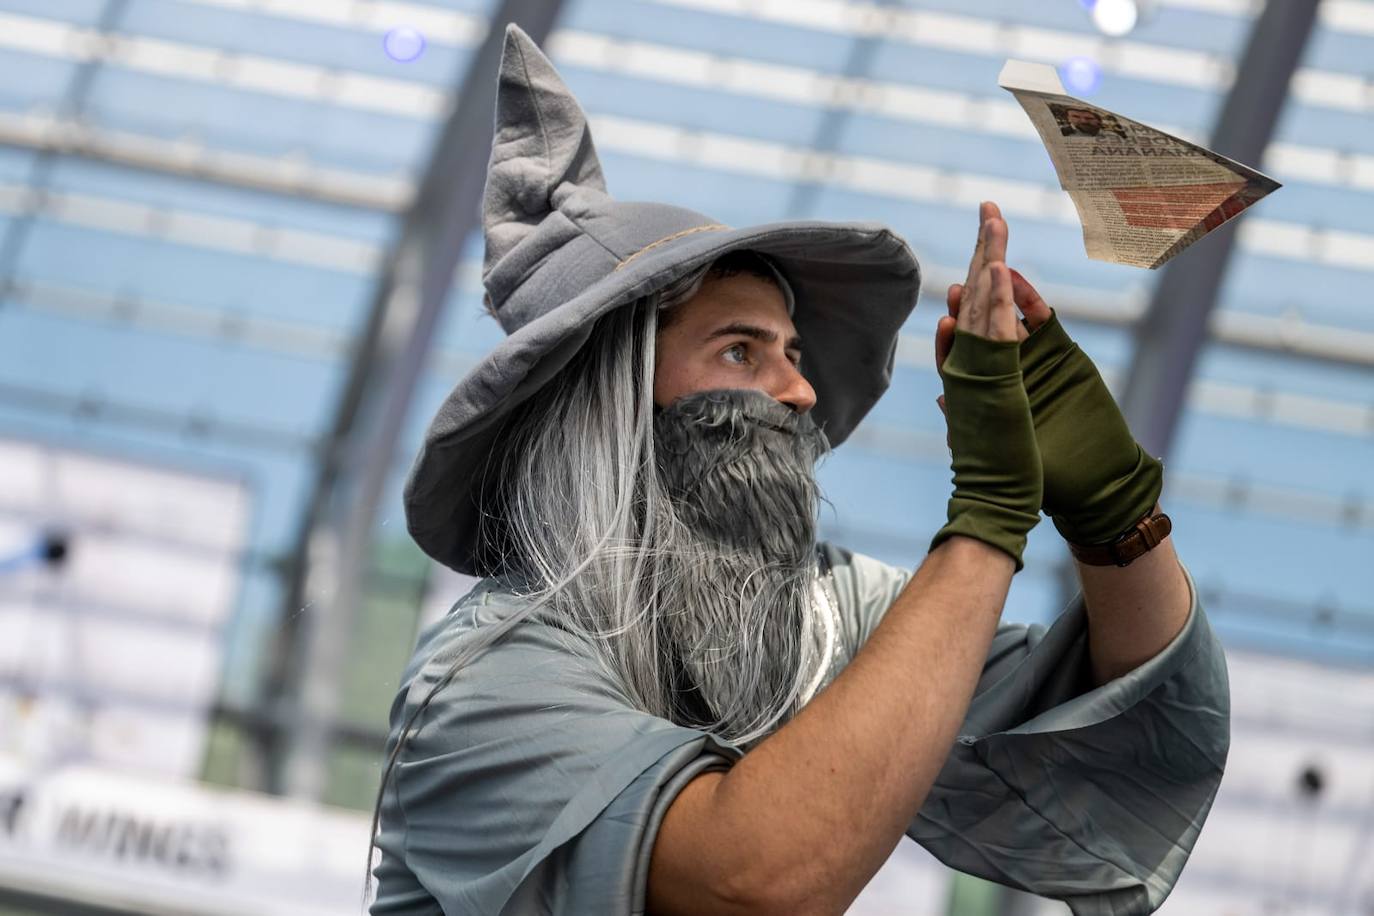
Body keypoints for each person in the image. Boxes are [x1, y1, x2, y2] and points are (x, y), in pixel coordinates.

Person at [369, 25, 1229, 916]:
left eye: (791, 350)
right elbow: (754, 882)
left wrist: (1114, 513)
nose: (801, 390)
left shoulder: (820, 619)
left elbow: (1131, 726)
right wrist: (988, 520)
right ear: (611, 402)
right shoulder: (485, 679)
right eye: (741, 352)